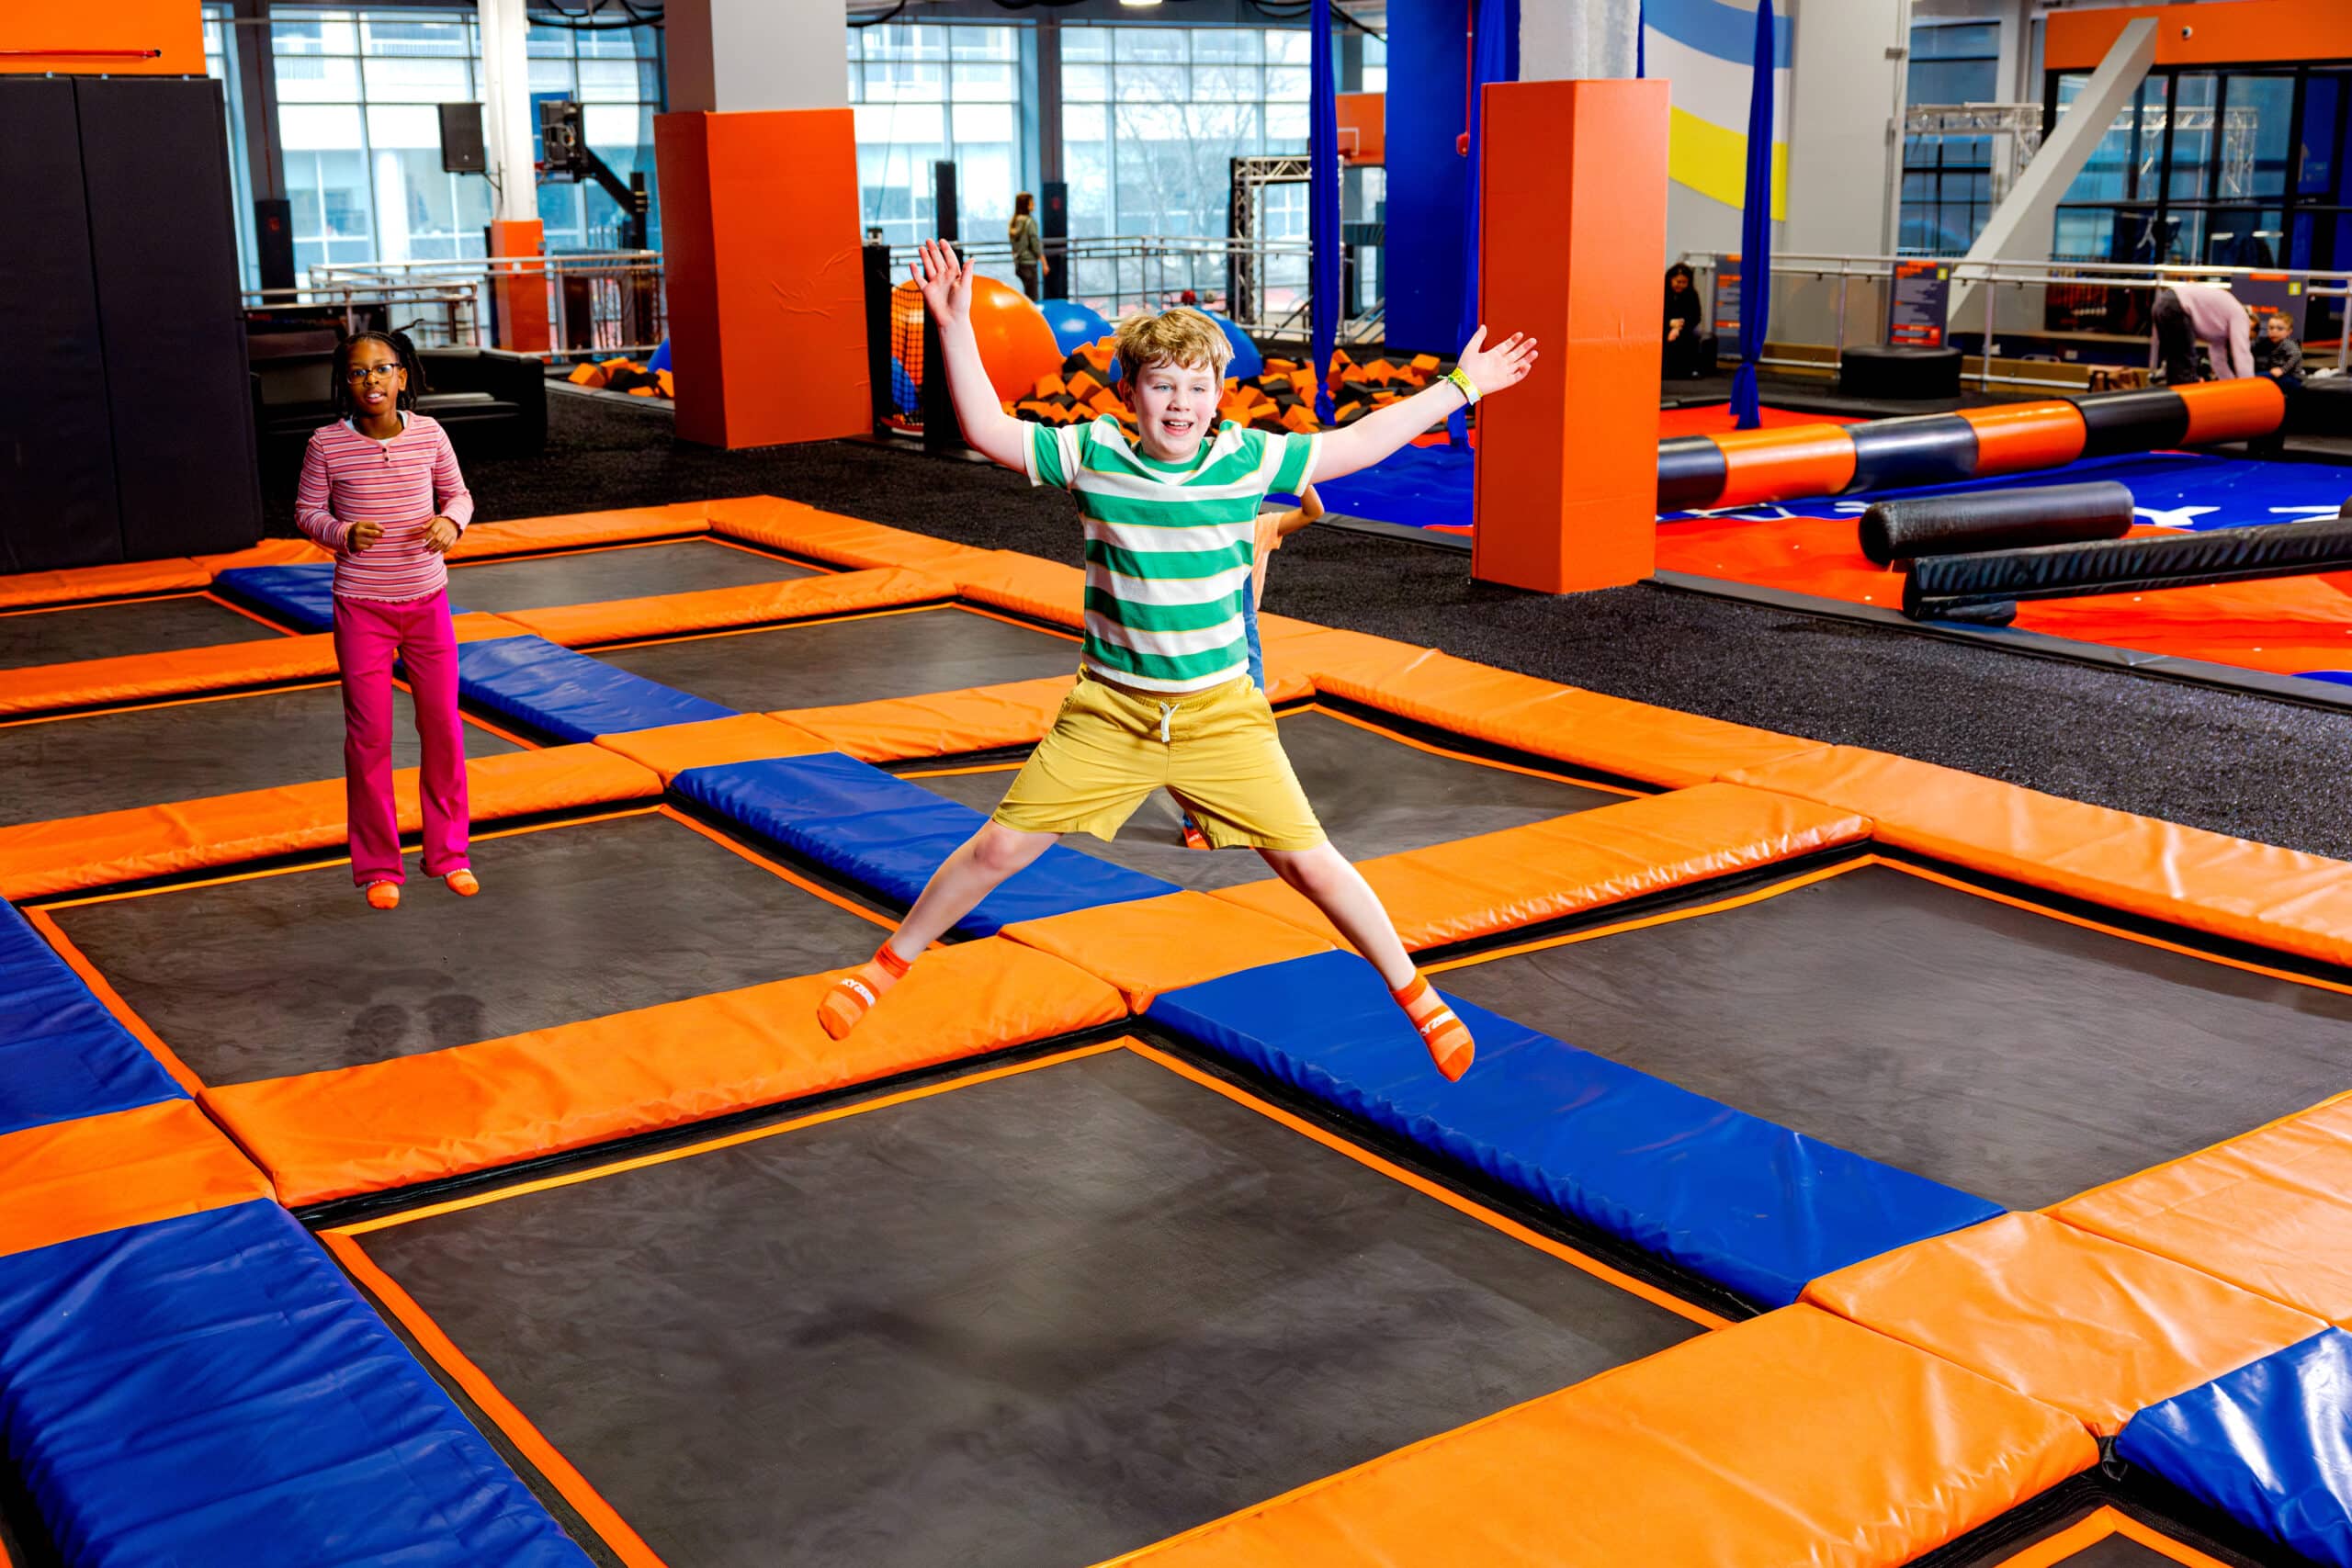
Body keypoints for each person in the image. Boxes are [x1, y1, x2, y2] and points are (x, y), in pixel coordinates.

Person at [818, 240, 1540, 1080]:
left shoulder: (1250, 460)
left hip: (1220, 712)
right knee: (997, 849)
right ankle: (886, 967)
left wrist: (1462, 387)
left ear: (1219, 397)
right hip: (1110, 712)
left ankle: (1415, 991)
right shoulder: (1093, 453)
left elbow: (1361, 442)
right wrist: (951, 325)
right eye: (1163, 386)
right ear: (1130, 394)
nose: (1181, 403)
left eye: (1198, 387)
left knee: (1309, 861)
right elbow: (983, 428)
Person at [294, 331, 479, 910]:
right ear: (344, 384)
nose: (370, 380)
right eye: (357, 372)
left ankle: (449, 853)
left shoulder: (429, 434)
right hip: (363, 609)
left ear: (403, 376)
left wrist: (451, 523)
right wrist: (342, 533)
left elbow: (460, 495)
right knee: (369, 737)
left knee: (443, 727)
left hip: (427, 605)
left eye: (382, 370)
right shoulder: (327, 444)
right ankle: (378, 864)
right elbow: (305, 512)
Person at [2152, 282, 2252, 385]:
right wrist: (2248, 389)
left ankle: (2173, 397)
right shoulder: (2240, 316)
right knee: (2185, 368)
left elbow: (2218, 361)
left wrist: (2230, 387)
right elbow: (2242, 354)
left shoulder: (2221, 329)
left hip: (2163, 303)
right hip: (2176, 305)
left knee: (2175, 366)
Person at [2249, 310, 2305, 458]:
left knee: (2262, 378)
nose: (2274, 331)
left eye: (2279, 329)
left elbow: (2293, 360)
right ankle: (2255, 447)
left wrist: (2282, 369)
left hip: (2289, 380)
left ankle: (2274, 449)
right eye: (2271, 328)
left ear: (2289, 332)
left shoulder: (2291, 345)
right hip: (2268, 383)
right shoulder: (2262, 345)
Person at [1663, 263, 1708, 379]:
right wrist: (1669, 324)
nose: (1681, 285)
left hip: (1684, 327)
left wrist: (1678, 328)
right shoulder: (1662, 293)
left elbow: (1695, 316)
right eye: (1678, 282)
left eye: (1684, 283)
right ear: (1670, 280)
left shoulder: (1692, 294)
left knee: (1693, 335)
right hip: (1664, 325)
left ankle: (1690, 369)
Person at [1009, 191, 1047, 303]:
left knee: (1026, 296)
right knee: (1033, 298)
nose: (1034, 204)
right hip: (1029, 264)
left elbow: (1014, 246)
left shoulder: (1014, 222)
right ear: (1025, 204)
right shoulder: (1029, 222)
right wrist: (1044, 263)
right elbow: (1035, 244)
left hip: (1019, 264)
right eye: (1031, 202)